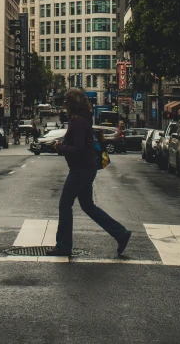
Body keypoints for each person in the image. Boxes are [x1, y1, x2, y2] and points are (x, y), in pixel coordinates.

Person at [46, 88, 131, 258]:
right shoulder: (84, 119)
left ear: (71, 104)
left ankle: (63, 245)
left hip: (80, 169)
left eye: (65, 101)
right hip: (87, 167)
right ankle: (120, 233)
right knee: (87, 206)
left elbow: (78, 148)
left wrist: (60, 147)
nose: (64, 105)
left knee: (65, 205)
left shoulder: (77, 122)